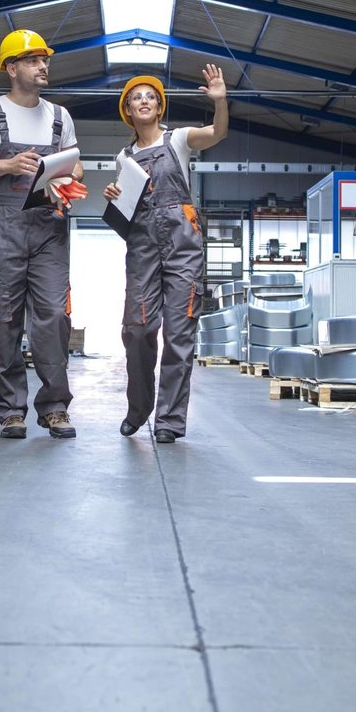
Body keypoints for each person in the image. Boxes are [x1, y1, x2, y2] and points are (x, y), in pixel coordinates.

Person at [0, 29, 87, 441]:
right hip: (0, 224)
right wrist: (9, 166)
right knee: (3, 319)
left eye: (44, 59)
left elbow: (77, 168)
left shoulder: (60, 116)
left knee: (53, 316)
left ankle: (55, 407)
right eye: (32, 60)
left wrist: (62, 179)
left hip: (48, 225)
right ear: (12, 68)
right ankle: (11, 410)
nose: (43, 65)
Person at [102, 63, 228, 443]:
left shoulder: (179, 140)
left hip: (182, 245)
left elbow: (217, 133)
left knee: (179, 334)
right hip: (142, 246)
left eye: (151, 97)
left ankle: (170, 421)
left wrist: (220, 102)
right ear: (128, 109)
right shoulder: (123, 157)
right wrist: (114, 195)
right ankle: (139, 408)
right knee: (137, 330)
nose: (144, 101)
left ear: (159, 108)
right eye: (136, 97)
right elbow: (126, 211)